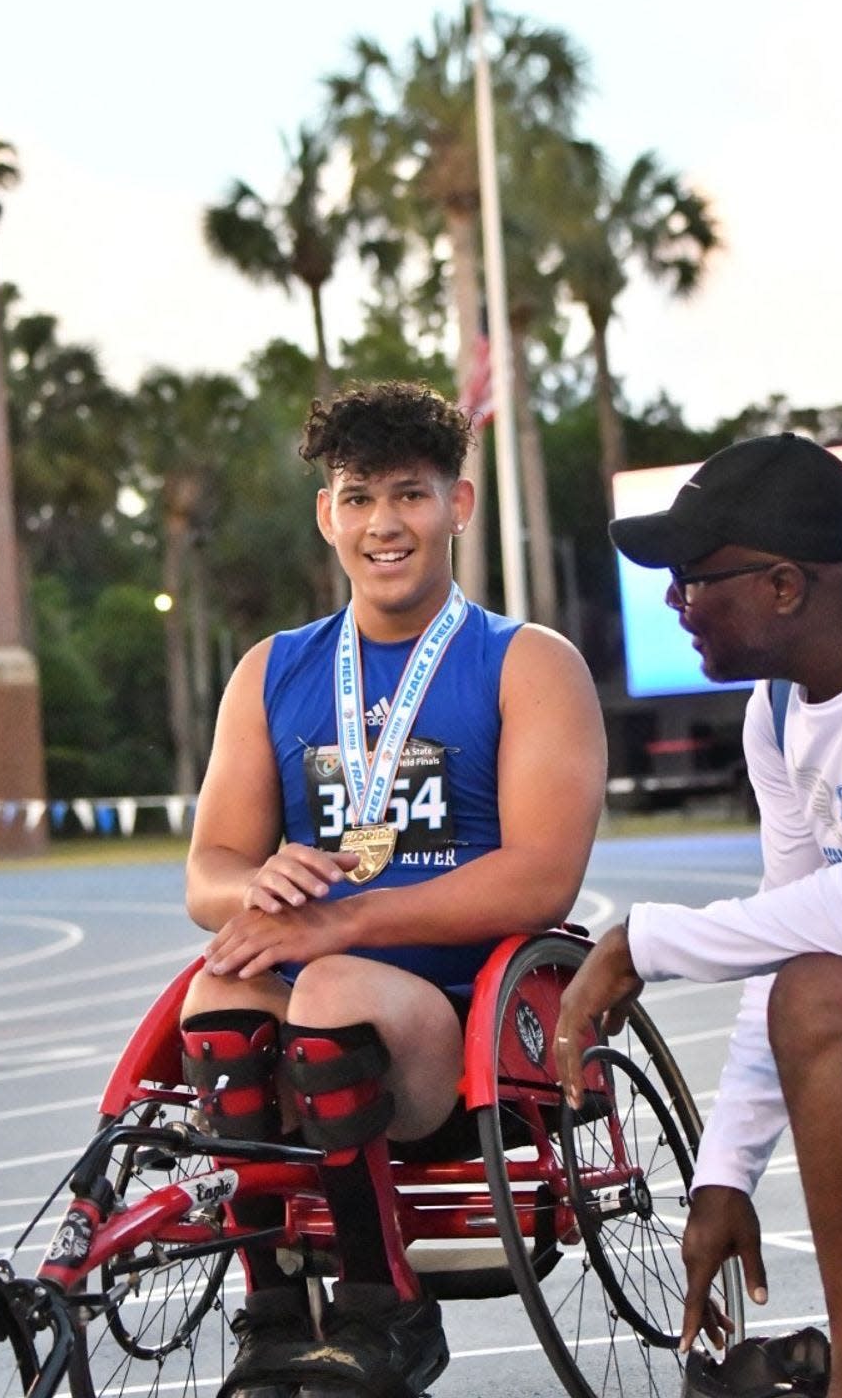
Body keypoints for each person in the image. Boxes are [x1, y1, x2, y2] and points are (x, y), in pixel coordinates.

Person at [180, 380, 607, 1398]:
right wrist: (256, 885)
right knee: (215, 996)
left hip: (465, 1022)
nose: (384, 525)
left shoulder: (527, 663)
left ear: (457, 507)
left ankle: (386, 1306)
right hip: (319, 993)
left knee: (326, 991)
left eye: (410, 496)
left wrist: (342, 920)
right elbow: (208, 872)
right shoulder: (273, 670)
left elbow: (543, 879)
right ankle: (274, 1309)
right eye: (359, 497)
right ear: (328, 514)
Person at [553, 432, 842, 1398]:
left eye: (691, 581)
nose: (676, 605)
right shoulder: (778, 709)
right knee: (814, 992)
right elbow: (792, 930)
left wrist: (646, 940)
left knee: (829, 998)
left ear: (783, 587)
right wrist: (723, 1172)